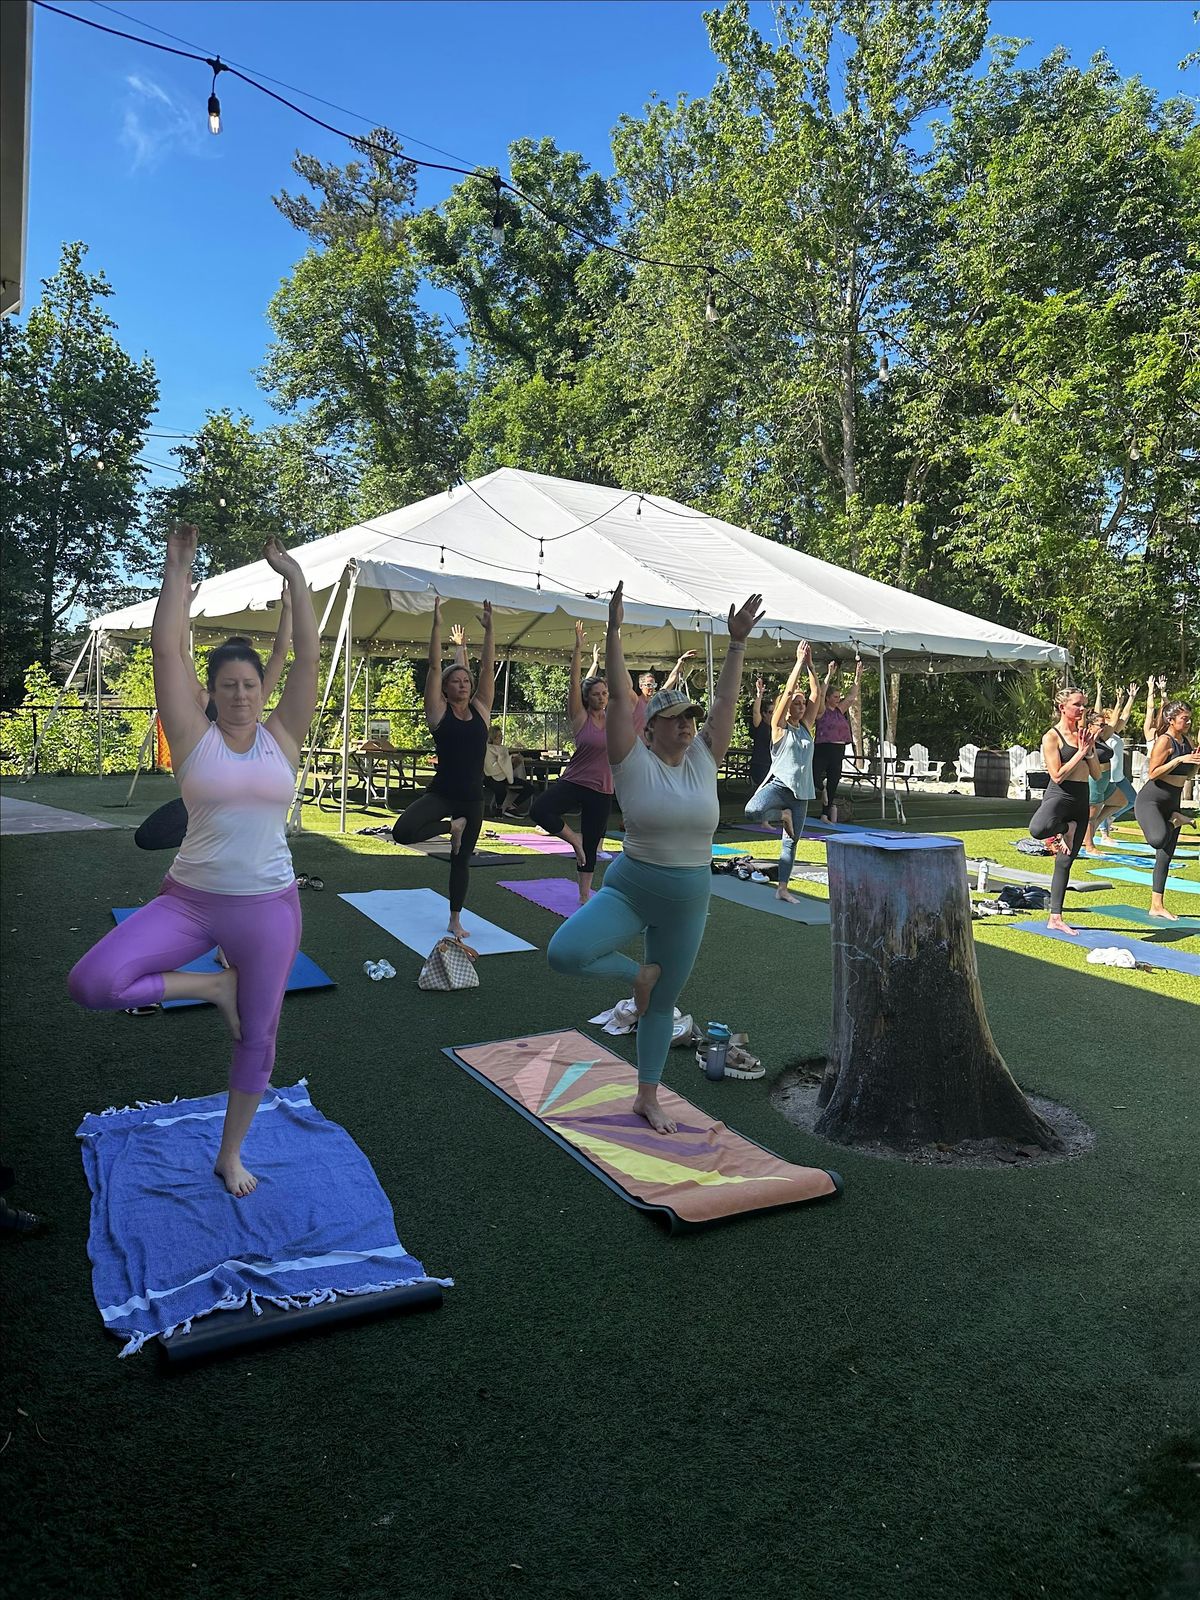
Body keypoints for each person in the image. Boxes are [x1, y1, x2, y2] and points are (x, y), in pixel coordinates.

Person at [67, 523, 320, 1198]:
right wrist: (177, 568)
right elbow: (164, 651)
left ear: (261, 690)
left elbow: (307, 661)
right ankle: (212, 987)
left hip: (268, 907)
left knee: (259, 1038)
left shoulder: (285, 737)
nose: (240, 695)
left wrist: (294, 578)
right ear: (212, 691)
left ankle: (229, 1154)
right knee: (93, 983)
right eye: (228, 685)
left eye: (249, 685)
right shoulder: (192, 737)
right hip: (189, 900)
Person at [547, 581, 764, 1134]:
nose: (688, 725)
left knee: (664, 1002)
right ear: (651, 728)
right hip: (634, 884)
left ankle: (648, 1094)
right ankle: (635, 975)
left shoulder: (703, 760)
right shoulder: (631, 760)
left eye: (691, 718)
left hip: (690, 895)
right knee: (564, 953)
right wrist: (614, 631)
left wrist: (737, 644)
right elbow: (620, 698)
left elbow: (726, 703)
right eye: (675, 719)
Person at [134, 577, 293, 852]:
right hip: (211, 788)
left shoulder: (255, 693)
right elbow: (178, 653)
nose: (239, 689)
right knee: (149, 838)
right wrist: (184, 605)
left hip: (249, 790)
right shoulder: (204, 696)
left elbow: (280, 654)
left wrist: (289, 609)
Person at [391, 597, 495, 940]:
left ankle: (454, 919)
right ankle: (451, 827)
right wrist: (436, 624)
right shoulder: (438, 712)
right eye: (457, 681)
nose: (463, 684)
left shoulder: (481, 709)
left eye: (467, 680)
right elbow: (435, 667)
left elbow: (489, 668)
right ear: (447, 688)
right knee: (403, 832)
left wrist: (490, 629)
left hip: (472, 799)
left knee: (462, 860)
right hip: (443, 795)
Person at [529, 622, 615, 905]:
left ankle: (583, 896)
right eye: (596, 694)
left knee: (592, 843)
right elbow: (573, 681)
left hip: (602, 788)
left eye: (604, 693)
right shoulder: (581, 717)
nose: (601, 697)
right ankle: (572, 839)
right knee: (540, 810)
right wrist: (578, 649)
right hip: (575, 780)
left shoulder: (615, 720)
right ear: (586, 698)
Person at [743, 642, 825, 903]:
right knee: (752, 811)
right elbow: (789, 690)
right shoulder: (779, 727)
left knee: (791, 843)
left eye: (803, 704)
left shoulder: (806, 726)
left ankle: (782, 889)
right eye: (796, 703)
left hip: (801, 793)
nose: (801, 706)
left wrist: (811, 666)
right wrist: (798, 663)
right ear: (787, 705)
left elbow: (816, 694)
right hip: (778, 786)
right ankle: (782, 815)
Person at [1026, 687, 1103, 935]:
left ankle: (1056, 917)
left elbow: (1097, 774)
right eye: (1077, 705)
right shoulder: (1052, 736)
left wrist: (1089, 751)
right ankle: (1065, 829)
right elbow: (1057, 775)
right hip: (1059, 797)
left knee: (1065, 861)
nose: (1082, 709)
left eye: (1084, 705)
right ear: (1063, 708)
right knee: (1038, 829)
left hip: (1081, 798)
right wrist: (1079, 752)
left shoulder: (1086, 734)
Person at [1135, 700, 1199, 920]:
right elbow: (1153, 773)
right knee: (1158, 839)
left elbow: (1187, 776)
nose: (1189, 722)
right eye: (1184, 718)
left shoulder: (1188, 741)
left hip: (1173, 802)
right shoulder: (1165, 740)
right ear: (1171, 720)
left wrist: (1196, 763)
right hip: (1151, 801)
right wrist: (1180, 758)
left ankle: (1157, 905)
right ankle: (1175, 820)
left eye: (1190, 718)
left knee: (1165, 857)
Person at [1083, 680, 1139, 851]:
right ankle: (1089, 845)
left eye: (1104, 724)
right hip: (1095, 779)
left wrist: (1124, 701)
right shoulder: (1085, 737)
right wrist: (1086, 706)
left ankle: (1098, 826)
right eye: (1100, 724)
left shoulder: (1103, 736)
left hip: (1107, 779)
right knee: (1091, 815)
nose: (1104, 726)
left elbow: (1116, 721)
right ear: (1090, 725)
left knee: (1121, 801)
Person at [812, 657, 862, 822]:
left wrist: (857, 677)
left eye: (838, 696)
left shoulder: (839, 711)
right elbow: (818, 693)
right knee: (814, 776)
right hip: (823, 748)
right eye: (834, 696)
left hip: (837, 751)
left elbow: (851, 697)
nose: (838, 699)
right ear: (827, 698)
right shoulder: (820, 711)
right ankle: (822, 790)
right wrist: (828, 675)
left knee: (834, 780)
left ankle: (825, 814)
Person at [630, 652, 694, 734]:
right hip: (638, 744)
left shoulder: (656, 700)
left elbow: (671, 679)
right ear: (641, 686)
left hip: (652, 745)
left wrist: (680, 662)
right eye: (648, 685)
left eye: (653, 685)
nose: (651, 688)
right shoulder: (635, 700)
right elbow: (625, 686)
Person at [484, 726, 532, 818]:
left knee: (529, 788)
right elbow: (491, 768)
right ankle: (499, 810)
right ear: (492, 737)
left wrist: (514, 762)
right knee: (500, 790)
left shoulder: (504, 749)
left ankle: (511, 808)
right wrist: (509, 761)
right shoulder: (487, 749)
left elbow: (507, 767)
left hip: (505, 776)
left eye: (501, 736)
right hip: (490, 777)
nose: (501, 738)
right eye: (498, 736)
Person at [748, 677, 773, 792]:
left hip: (773, 766)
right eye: (770, 712)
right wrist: (759, 695)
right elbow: (755, 711)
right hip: (760, 765)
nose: (773, 714)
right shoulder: (760, 725)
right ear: (764, 714)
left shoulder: (777, 727)